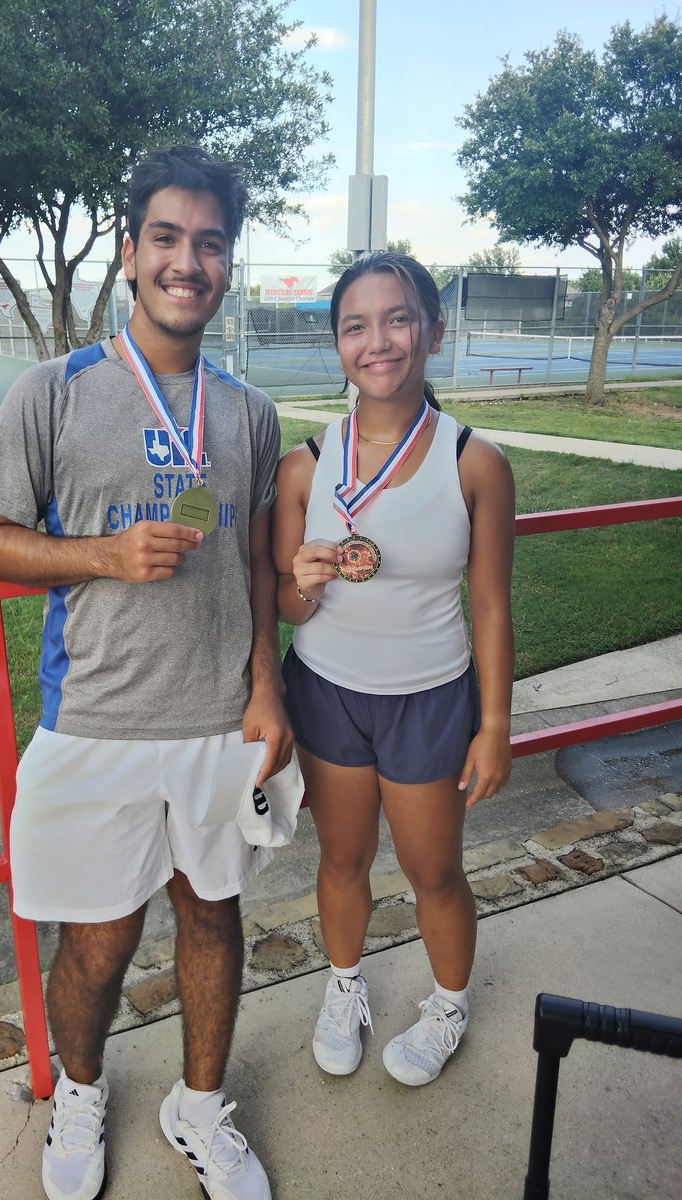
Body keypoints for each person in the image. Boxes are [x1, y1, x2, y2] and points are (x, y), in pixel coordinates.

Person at [0, 145, 291, 1200]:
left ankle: (200, 1106)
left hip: (216, 723)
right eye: (167, 238)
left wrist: (266, 690)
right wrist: (101, 554)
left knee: (213, 917)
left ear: (226, 262)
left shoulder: (245, 409)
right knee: (96, 946)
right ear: (129, 252)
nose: (186, 262)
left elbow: (250, 560)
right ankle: (81, 1088)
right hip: (97, 720)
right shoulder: (52, 390)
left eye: (208, 243)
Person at [272, 251, 515, 1087]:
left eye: (398, 319)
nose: (378, 341)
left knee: (433, 871)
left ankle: (448, 1002)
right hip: (328, 693)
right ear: (338, 345)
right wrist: (298, 582)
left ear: (433, 332)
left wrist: (494, 726)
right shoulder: (304, 464)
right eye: (355, 325)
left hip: (431, 700)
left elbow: (490, 606)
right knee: (341, 860)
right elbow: (287, 604)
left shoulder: (474, 462)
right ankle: (345, 988)